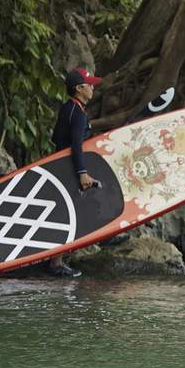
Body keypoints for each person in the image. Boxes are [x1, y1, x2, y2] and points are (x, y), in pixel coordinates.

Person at [45, 67, 102, 277]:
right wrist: (82, 172)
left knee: (69, 212)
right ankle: (56, 263)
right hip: (69, 169)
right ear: (79, 88)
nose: (93, 87)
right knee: (72, 215)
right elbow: (76, 146)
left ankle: (57, 259)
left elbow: (56, 139)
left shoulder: (68, 108)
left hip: (60, 166)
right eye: (90, 84)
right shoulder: (77, 113)